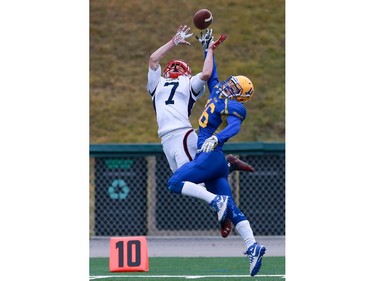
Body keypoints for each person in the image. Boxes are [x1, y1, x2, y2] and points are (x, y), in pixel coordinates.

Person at [166, 29, 266, 277]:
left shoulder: (234, 107)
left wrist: (216, 136)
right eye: (232, 83)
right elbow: (213, 75)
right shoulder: (219, 91)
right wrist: (208, 49)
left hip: (210, 154)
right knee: (232, 209)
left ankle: (220, 190)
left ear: (240, 97)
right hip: (214, 160)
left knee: (174, 182)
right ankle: (252, 245)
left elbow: (233, 126)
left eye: (235, 88)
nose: (230, 87)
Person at [147, 25, 254, 238]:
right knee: (185, 181)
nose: (176, 67)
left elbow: (206, 74)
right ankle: (227, 168)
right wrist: (173, 41)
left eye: (179, 65)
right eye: (174, 65)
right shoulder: (157, 85)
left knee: (186, 179)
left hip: (183, 135)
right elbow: (153, 59)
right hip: (166, 140)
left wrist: (209, 51)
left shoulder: (188, 83)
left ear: (185, 72)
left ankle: (220, 205)